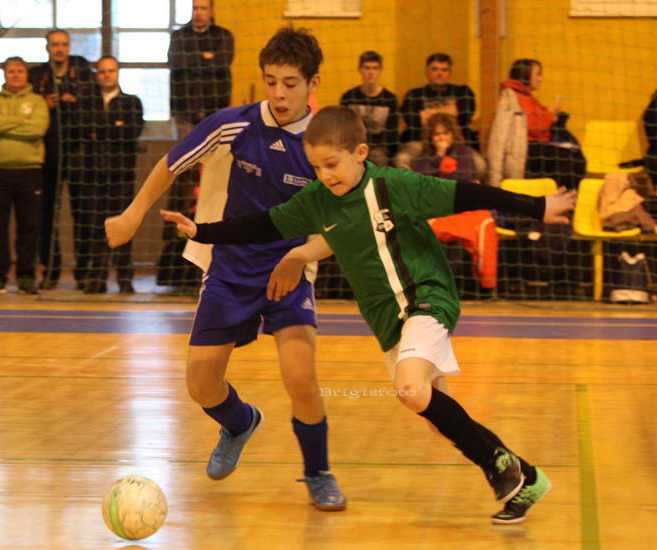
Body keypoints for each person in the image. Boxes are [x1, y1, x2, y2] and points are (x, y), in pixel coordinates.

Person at [160, 106, 575, 524]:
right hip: (388, 320)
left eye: (332, 164)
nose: (325, 175)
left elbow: (470, 194)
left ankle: (500, 466)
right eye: (316, 167)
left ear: (360, 152)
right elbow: (263, 224)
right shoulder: (318, 201)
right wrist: (203, 231)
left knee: (410, 389)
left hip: (426, 297)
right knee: (436, 413)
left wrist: (538, 206)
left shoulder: (396, 186)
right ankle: (527, 478)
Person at [106, 27, 346, 511]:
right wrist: (132, 214)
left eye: (291, 83)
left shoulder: (324, 143)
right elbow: (171, 163)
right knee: (200, 385)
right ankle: (240, 423)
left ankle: (318, 472)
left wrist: (301, 257)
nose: (279, 93)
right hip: (231, 269)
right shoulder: (234, 124)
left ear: (313, 83)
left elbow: (344, 223)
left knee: (300, 377)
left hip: (289, 270)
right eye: (271, 81)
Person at [487, 59, 586, 296]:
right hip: (524, 156)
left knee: (573, 156)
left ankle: (564, 203)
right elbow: (521, 132)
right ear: (526, 75)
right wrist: (550, 115)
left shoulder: (526, 96)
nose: (540, 78)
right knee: (570, 159)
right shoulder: (512, 98)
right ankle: (565, 200)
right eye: (537, 74)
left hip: (536, 152)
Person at [161, 0, 234, 287]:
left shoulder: (223, 35)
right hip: (185, 115)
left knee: (215, 178)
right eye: (195, 8)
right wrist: (205, 59)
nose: (199, 12)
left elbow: (221, 61)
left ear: (212, 11)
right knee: (184, 178)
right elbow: (177, 61)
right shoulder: (179, 36)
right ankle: (180, 240)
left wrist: (196, 61)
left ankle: (214, 230)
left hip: (217, 116)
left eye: (203, 8)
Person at [30, 29, 94, 290]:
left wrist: (73, 102)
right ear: (47, 47)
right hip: (47, 154)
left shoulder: (83, 72)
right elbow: (30, 109)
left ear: (69, 47)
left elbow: (92, 106)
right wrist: (44, 104)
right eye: (55, 44)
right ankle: (50, 271)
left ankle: (83, 271)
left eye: (64, 45)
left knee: (83, 215)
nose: (59, 49)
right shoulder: (36, 75)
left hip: (78, 153)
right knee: (47, 216)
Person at [0, 57, 49, 295]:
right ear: (4, 74)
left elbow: (37, 129)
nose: (15, 75)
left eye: (20, 70)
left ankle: (26, 277)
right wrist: (21, 122)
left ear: (27, 74)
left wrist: (4, 125)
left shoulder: (37, 102)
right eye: (11, 71)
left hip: (29, 171)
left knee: (29, 227)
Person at [413, 113, 498, 297]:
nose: (441, 138)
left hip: (461, 207)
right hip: (436, 210)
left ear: (452, 134)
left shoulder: (464, 152)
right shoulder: (423, 157)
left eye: (445, 133)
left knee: (484, 224)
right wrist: (439, 158)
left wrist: (442, 173)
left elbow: (464, 180)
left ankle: (486, 285)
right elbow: (422, 184)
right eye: (437, 134)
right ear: (430, 137)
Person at [81, 56, 144, 294]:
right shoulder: (88, 102)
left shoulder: (131, 102)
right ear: (96, 75)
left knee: (123, 224)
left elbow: (131, 131)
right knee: (96, 227)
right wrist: (114, 126)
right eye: (102, 71)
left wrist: (102, 130)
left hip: (122, 174)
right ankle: (96, 278)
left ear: (117, 73)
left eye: (111, 71)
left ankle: (125, 279)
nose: (106, 75)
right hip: (94, 174)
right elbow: (83, 128)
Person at [397, 53, 477, 169]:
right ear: (427, 71)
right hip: (420, 144)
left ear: (450, 72)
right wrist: (449, 111)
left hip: (456, 145)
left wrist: (427, 113)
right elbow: (412, 121)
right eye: (435, 69)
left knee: (480, 164)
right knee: (402, 159)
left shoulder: (463, 92)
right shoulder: (414, 94)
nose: (440, 73)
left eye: (444, 70)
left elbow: (465, 117)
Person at [339, 51, 399, 167]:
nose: (371, 72)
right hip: (353, 145)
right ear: (360, 70)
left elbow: (392, 134)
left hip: (379, 148)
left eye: (375, 68)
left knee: (378, 156)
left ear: (380, 70)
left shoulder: (390, 99)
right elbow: (343, 128)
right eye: (367, 68)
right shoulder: (349, 97)